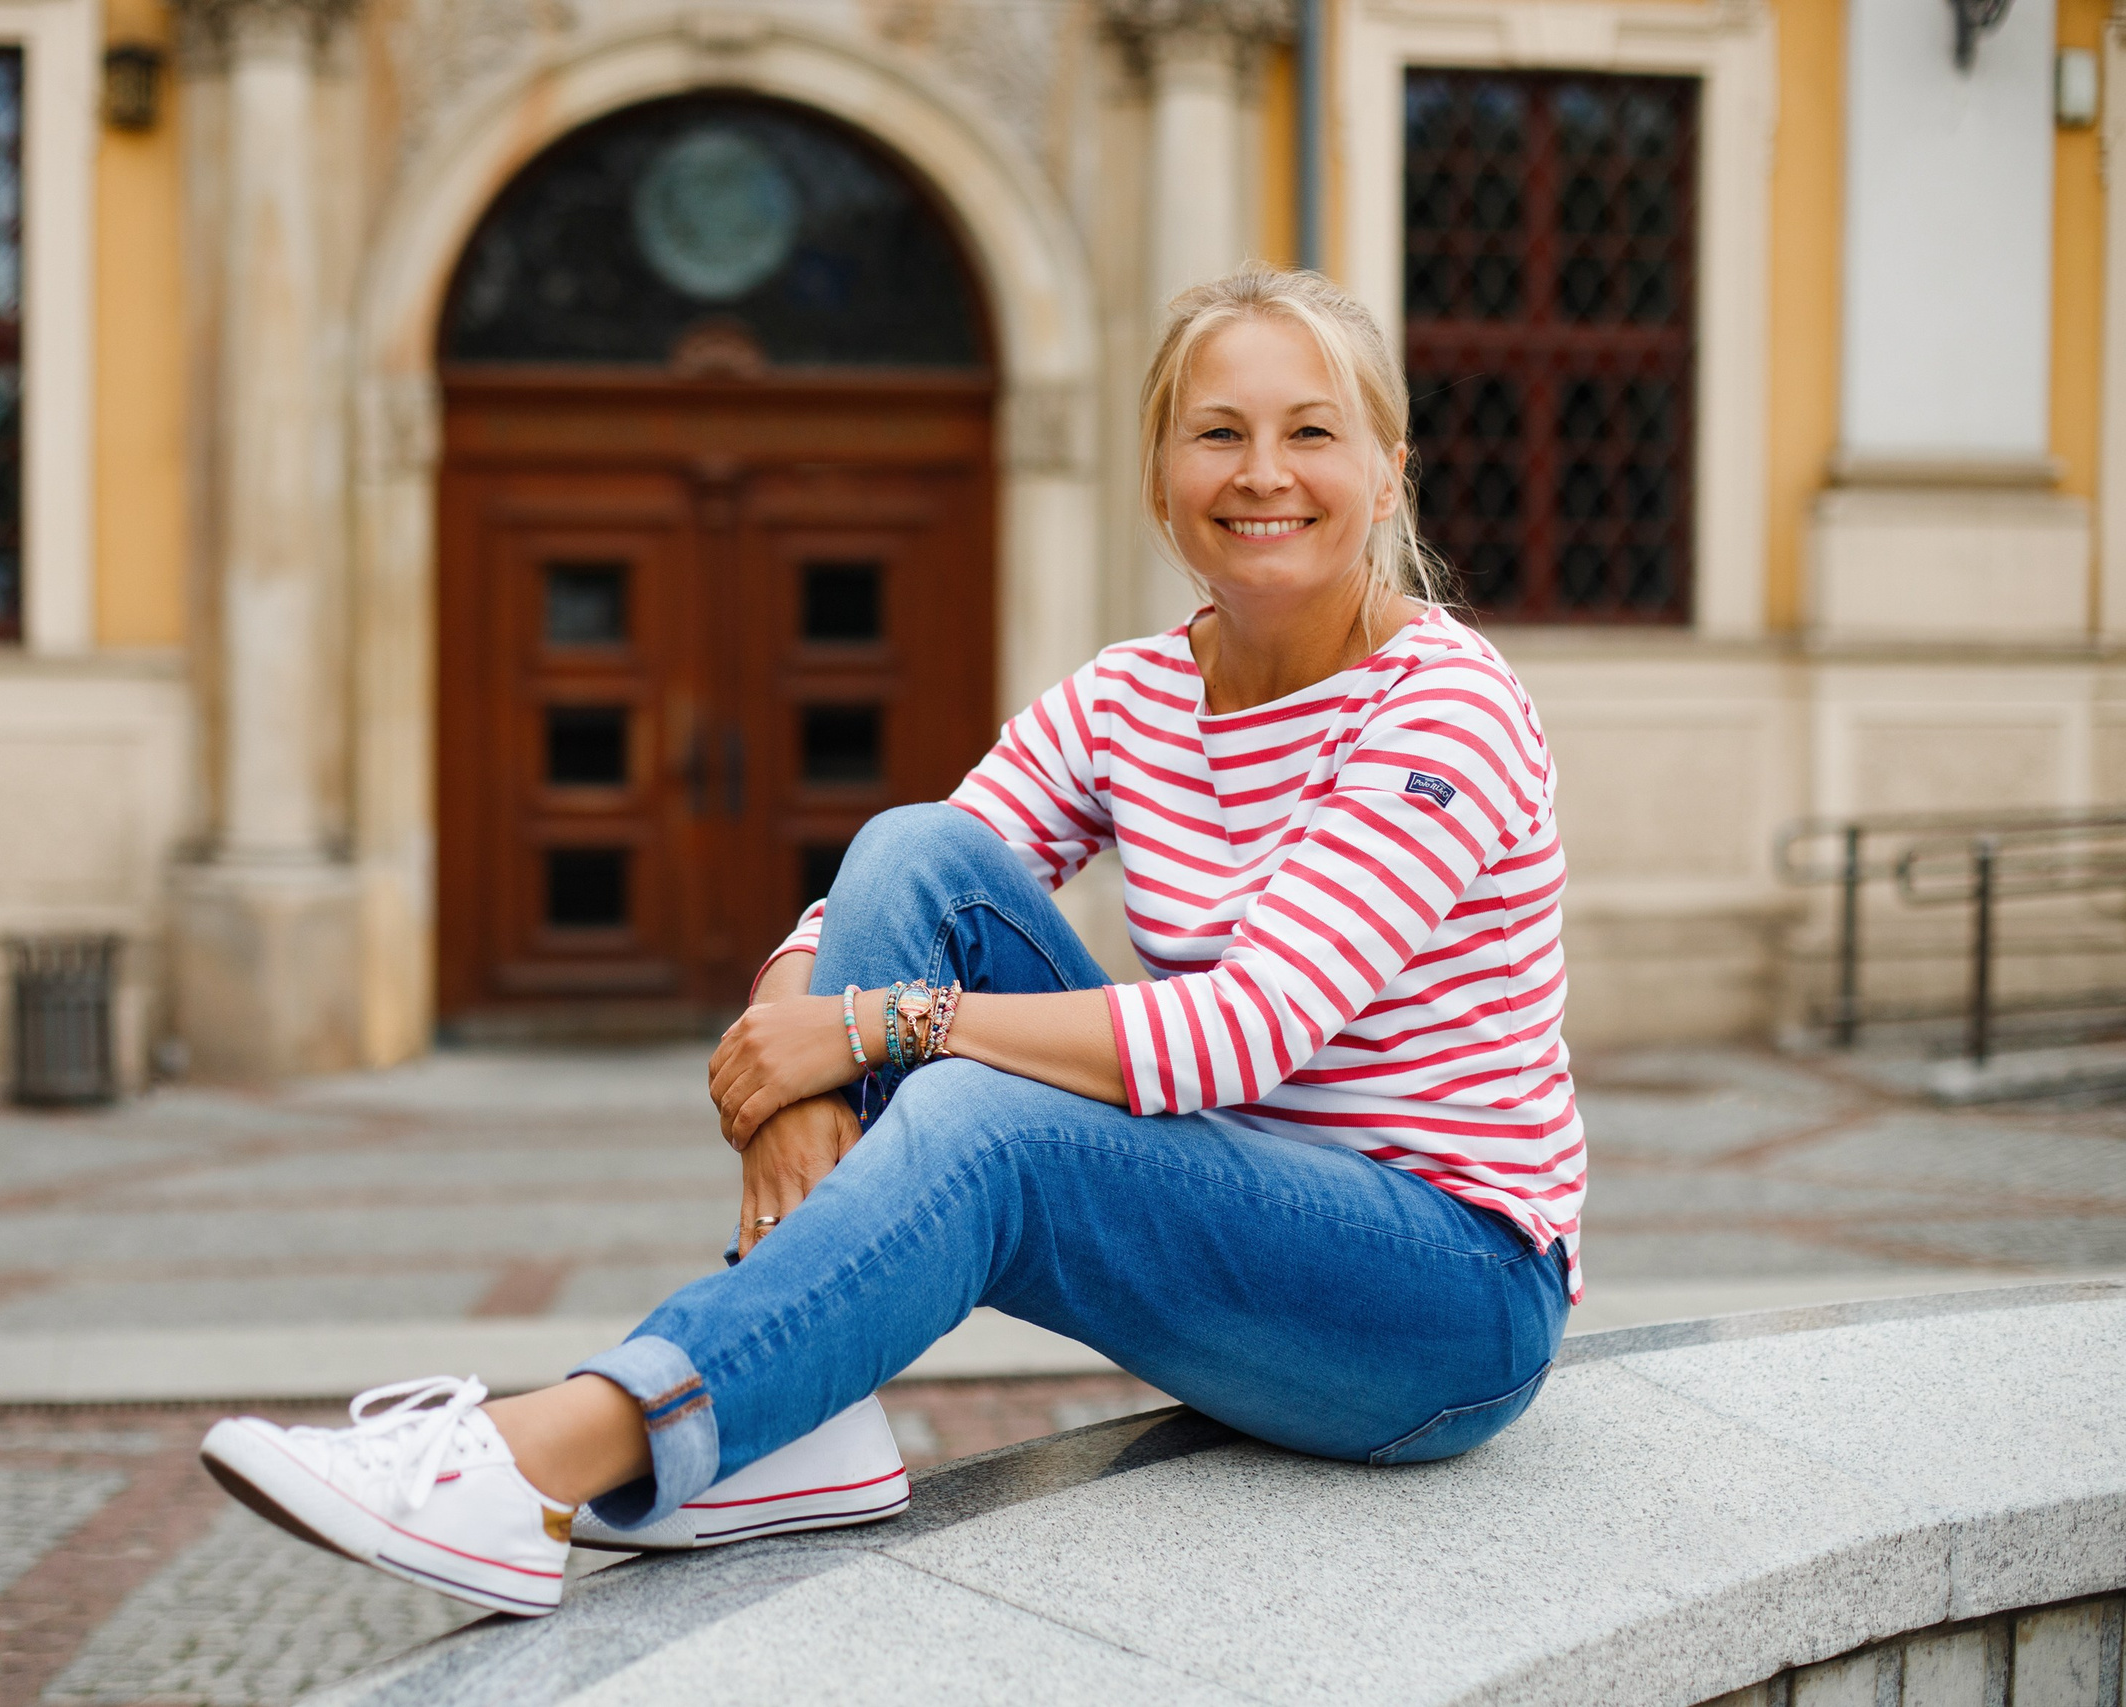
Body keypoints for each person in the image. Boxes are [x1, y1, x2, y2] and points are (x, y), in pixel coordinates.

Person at [198, 264, 1585, 1619]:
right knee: (912, 846)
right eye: (1217, 432)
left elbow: (1242, 1033)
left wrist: (870, 1030)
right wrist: (794, 1036)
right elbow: (880, 900)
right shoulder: (1131, 697)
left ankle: (538, 1461)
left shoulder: (1441, 706)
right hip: (1243, 1208)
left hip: (1448, 1299)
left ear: (1388, 471)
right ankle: (803, 1409)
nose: (1262, 473)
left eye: (1311, 433)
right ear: (1161, 475)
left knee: (993, 1121)